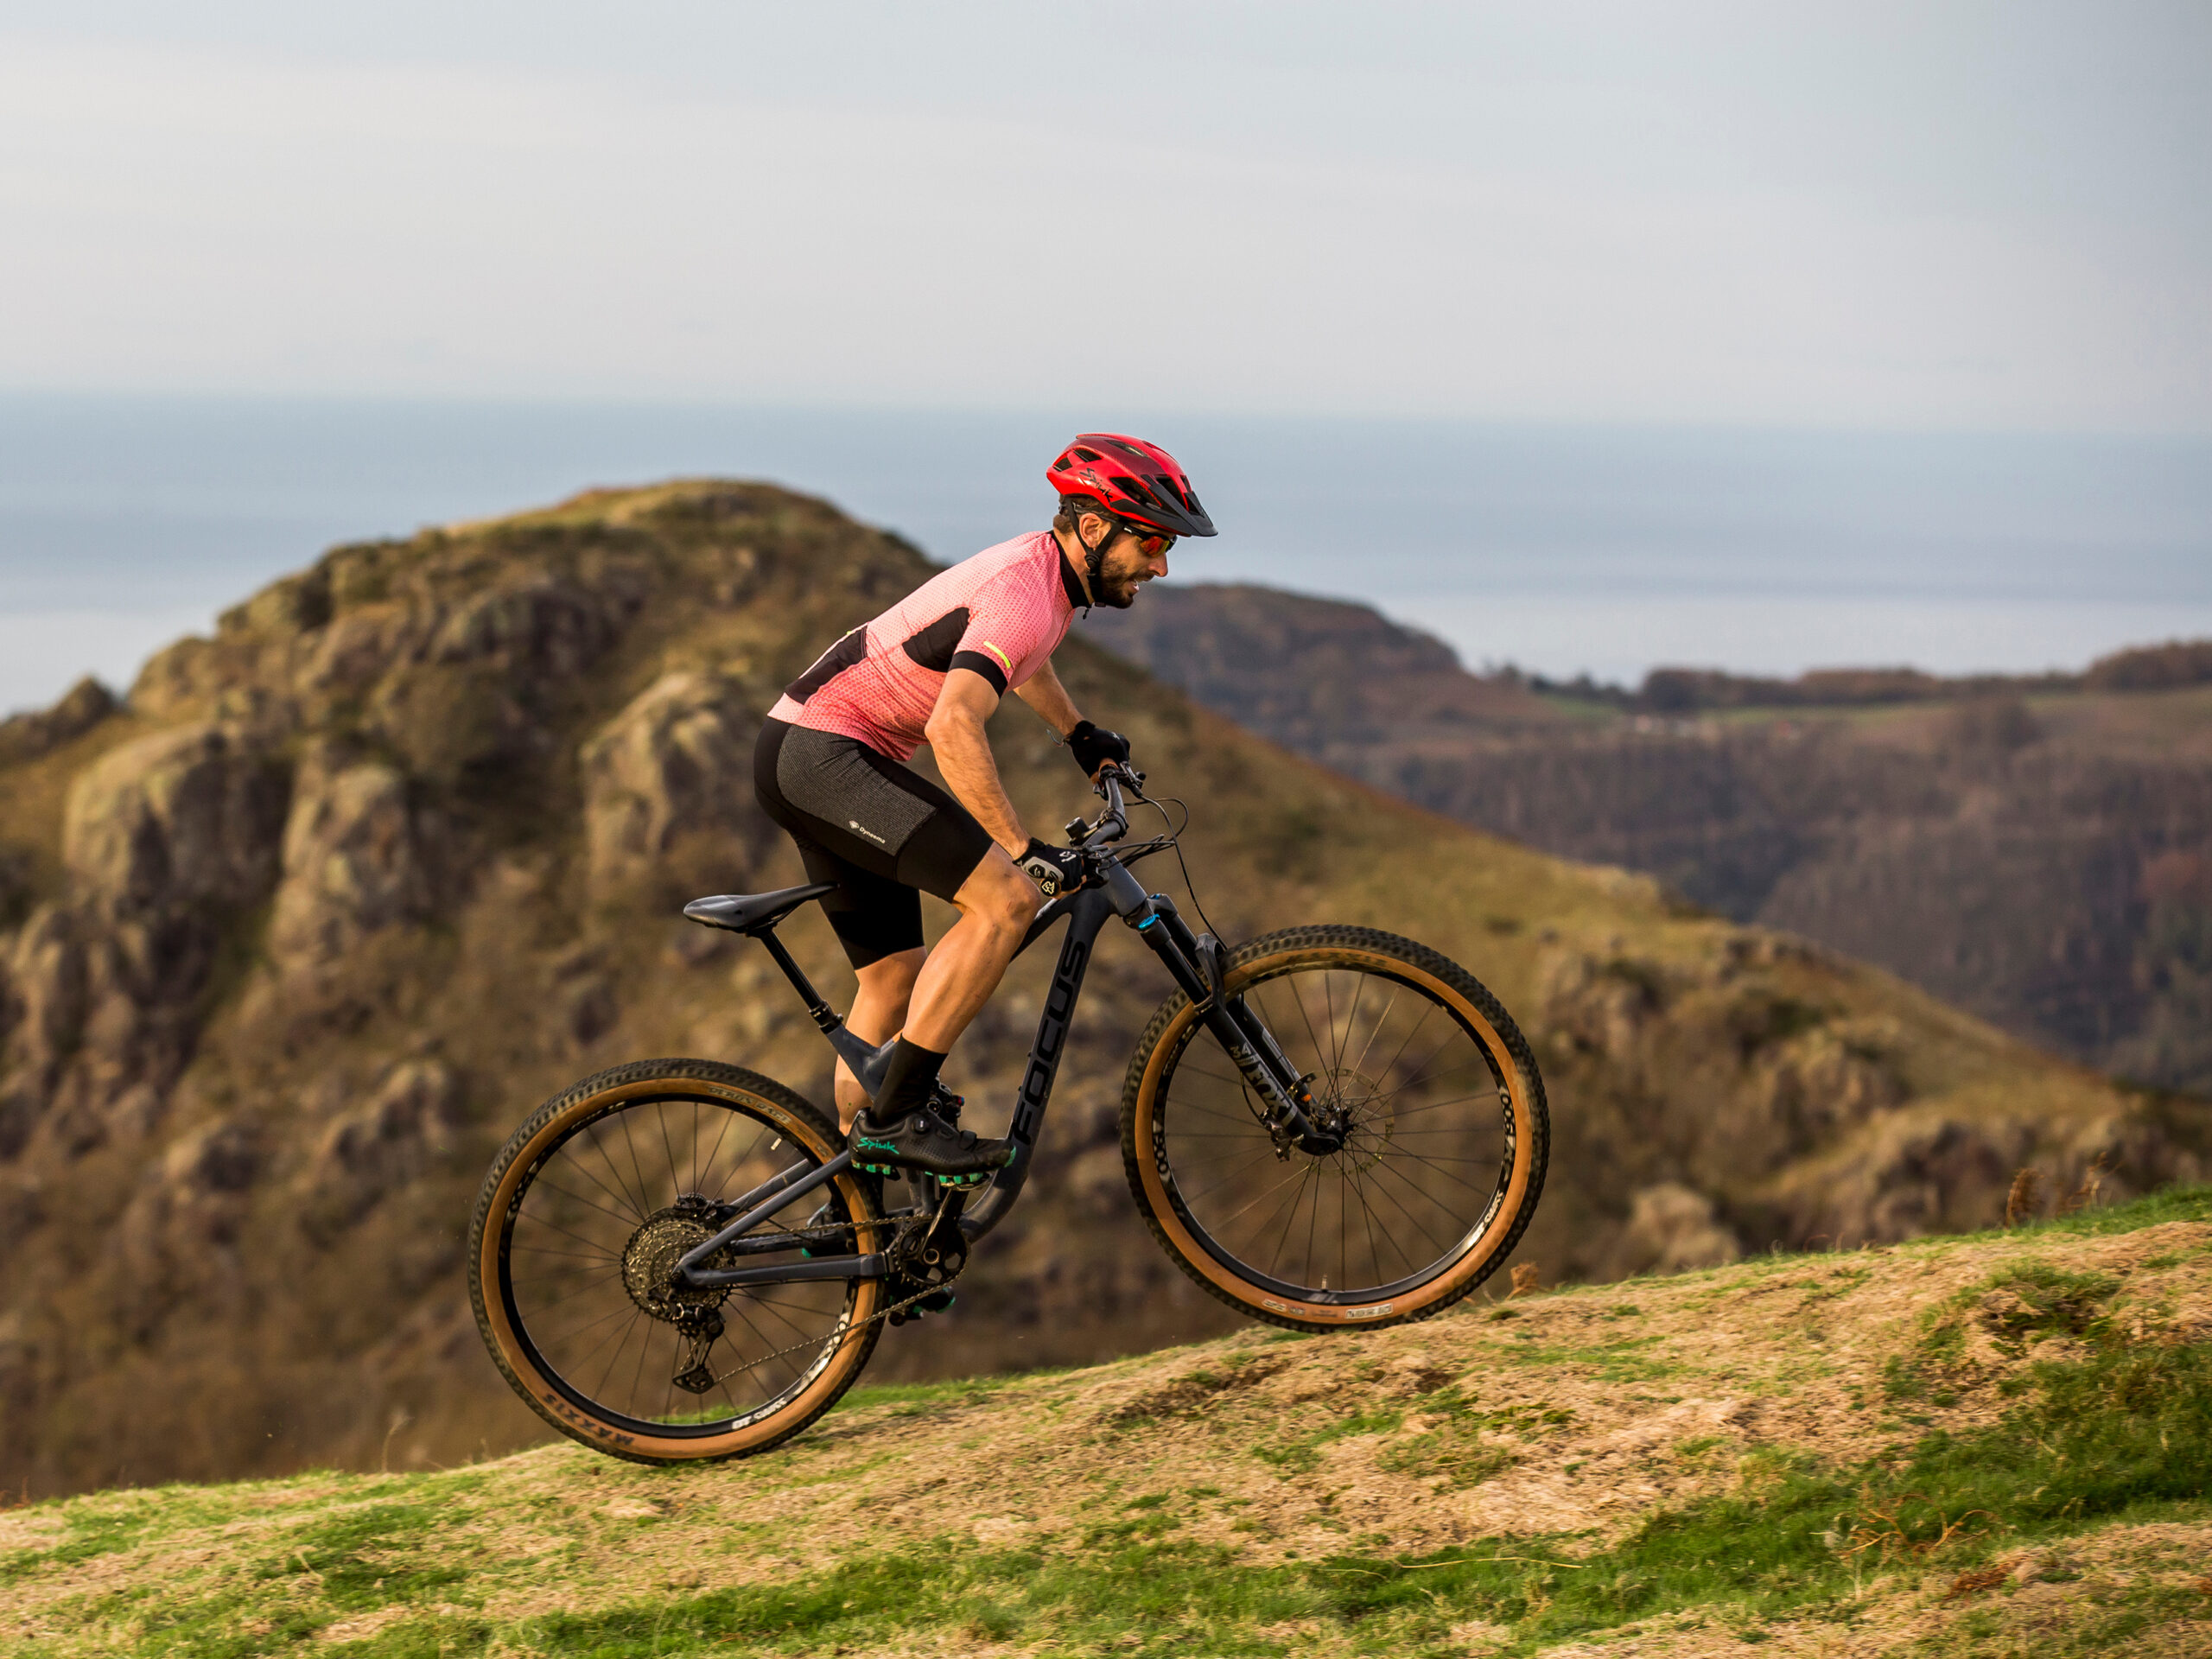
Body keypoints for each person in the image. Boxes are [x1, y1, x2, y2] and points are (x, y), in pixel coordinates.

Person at [753, 434, 1216, 1183]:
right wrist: (1020, 847)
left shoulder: (1047, 577)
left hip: (802, 750)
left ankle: (851, 1205)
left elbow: (1015, 659)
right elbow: (952, 724)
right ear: (1094, 528)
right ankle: (893, 1122)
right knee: (1004, 900)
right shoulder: (1024, 594)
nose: (1161, 566)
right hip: (826, 755)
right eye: (1153, 542)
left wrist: (1076, 732)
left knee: (892, 982)